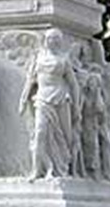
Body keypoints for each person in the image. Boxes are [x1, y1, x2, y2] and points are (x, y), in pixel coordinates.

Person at [19, 29, 81, 179]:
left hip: (61, 98)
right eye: (50, 38)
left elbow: (73, 84)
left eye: (56, 39)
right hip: (42, 98)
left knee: (64, 134)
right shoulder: (38, 58)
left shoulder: (64, 60)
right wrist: (23, 99)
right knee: (40, 133)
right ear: (46, 41)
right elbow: (30, 81)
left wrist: (76, 105)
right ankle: (38, 169)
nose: (53, 41)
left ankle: (61, 168)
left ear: (60, 41)